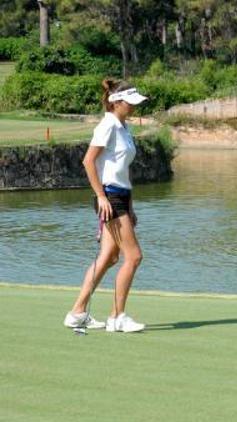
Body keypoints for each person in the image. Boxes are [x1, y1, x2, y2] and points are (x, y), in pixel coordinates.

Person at [63, 79, 148, 333]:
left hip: (121, 196)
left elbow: (124, 170)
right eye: (130, 103)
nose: (134, 107)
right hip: (109, 197)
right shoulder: (107, 125)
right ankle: (117, 317)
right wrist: (100, 197)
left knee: (109, 257)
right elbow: (88, 161)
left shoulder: (124, 127)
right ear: (116, 102)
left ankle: (77, 312)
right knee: (133, 257)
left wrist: (131, 207)